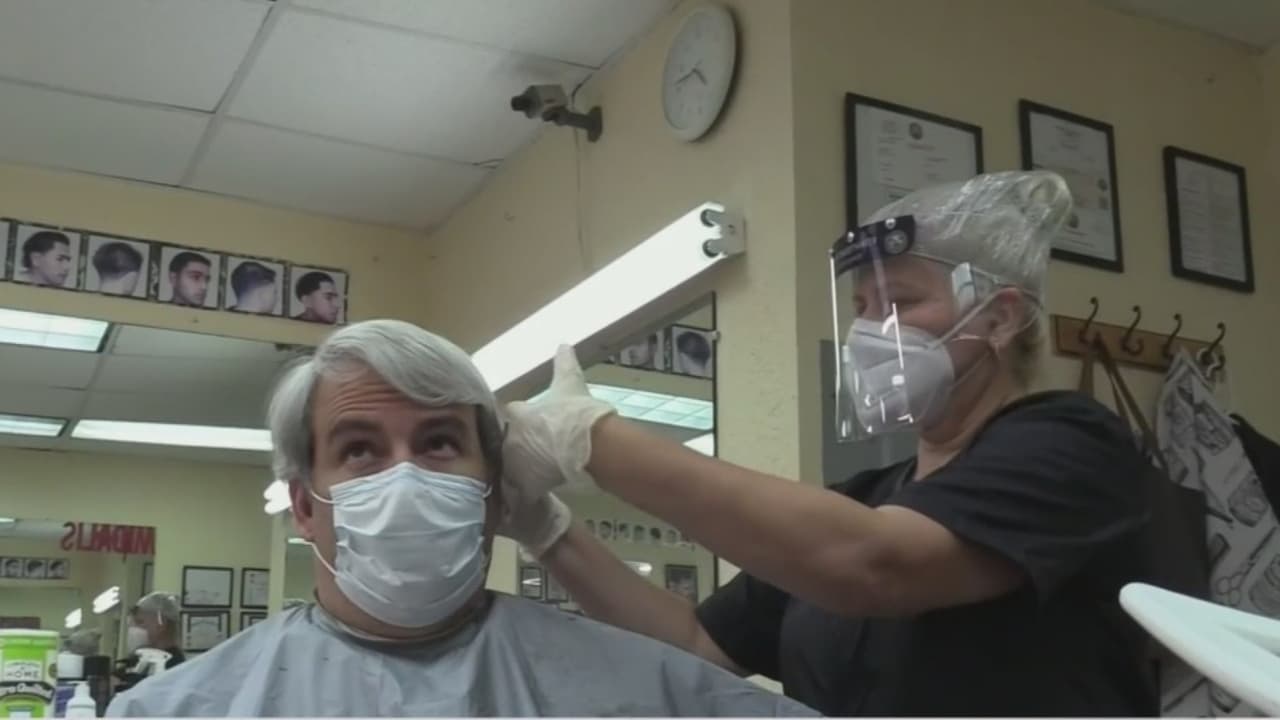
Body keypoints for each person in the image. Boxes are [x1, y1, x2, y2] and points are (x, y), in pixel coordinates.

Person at [499, 171, 1158, 716]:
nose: (869, 333)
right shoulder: (869, 499)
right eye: (862, 308)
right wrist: (547, 529)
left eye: (899, 303)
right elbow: (693, 640)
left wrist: (593, 439)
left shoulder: (1071, 445)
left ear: (999, 317)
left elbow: (876, 565)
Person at [106, 319, 815, 717]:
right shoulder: (178, 710)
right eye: (360, 450)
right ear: (303, 506)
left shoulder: (645, 692)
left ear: (495, 492)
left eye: (439, 442)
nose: (405, 476)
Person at [114, 592, 185, 693]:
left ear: (161, 623)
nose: (133, 630)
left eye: (140, 622)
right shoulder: (138, 660)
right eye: (132, 624)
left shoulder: (173, 666)